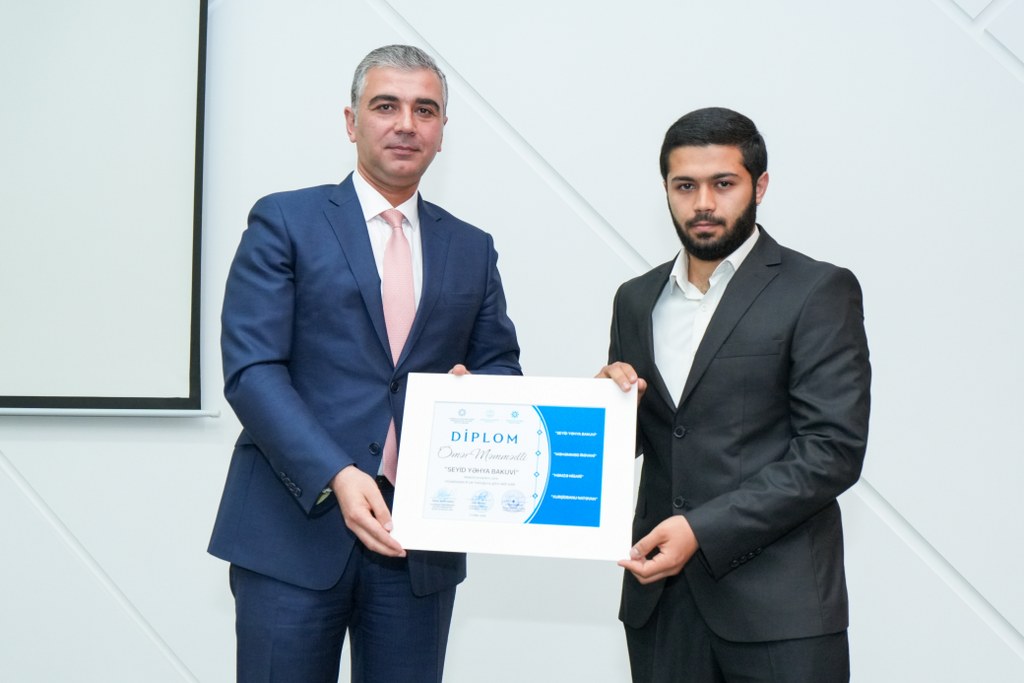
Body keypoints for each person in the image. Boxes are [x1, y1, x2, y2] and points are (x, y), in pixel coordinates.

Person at [208, 44, 521, 682]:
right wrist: (337, 474)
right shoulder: (285, 220)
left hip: (419, 545)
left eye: (424, 110)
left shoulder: (472, 247)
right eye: (386, 106)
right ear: (352, 122)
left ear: (441, 131)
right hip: (291, 531)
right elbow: (252, 370)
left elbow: (500, 368)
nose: (406, 124)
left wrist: (476, 391)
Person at [598, 107, 870, 682]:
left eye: (723, 183)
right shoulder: (635, 299)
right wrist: (605, 412)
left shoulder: (817, 290)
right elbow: (655, 440)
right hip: (661, 608)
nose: (703, 203)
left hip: (781, 610)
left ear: (759, 186)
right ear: (666, 190)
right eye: (685, 186)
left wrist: (702, 530)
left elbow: (831, 452)